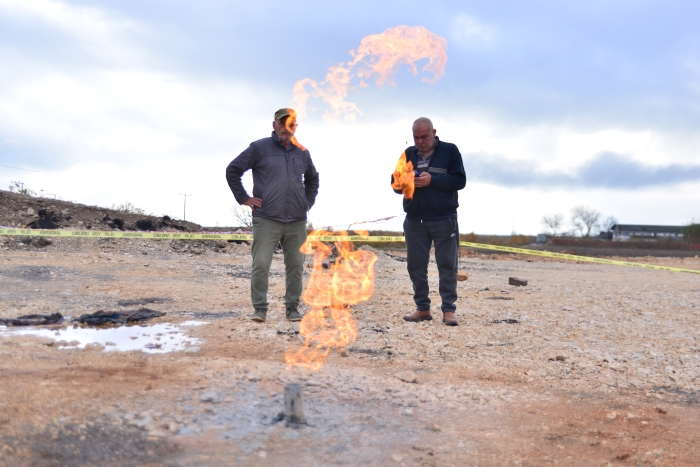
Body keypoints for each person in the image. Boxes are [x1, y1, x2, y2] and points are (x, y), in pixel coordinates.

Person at [226, 108, 320, 322]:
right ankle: (260, 309)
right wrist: (244, 198)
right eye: (282, 123)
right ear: (274, 124)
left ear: (295, 127)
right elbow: (232, 170)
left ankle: (292, 308)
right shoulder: (259, 148)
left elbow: (313, 179)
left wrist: (307, 201)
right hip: (266, 218)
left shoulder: (303, 152)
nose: (286, 128)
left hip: (296, 220)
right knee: (261, 264)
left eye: (291, 124)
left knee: (296, 265)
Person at [391, 117, 466, 326]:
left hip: (444, 219)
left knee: (447, 265)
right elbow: (394, 185)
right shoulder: (407, 155)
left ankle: (449, 310)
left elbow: (460, 180)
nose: (420, 141)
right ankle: (422, 308)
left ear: (434, 132)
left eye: (424, 136)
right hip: (415, 220)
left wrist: (432, 180)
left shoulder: (450, 151)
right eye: (416, 137)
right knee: (415, 266)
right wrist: (406, 181)